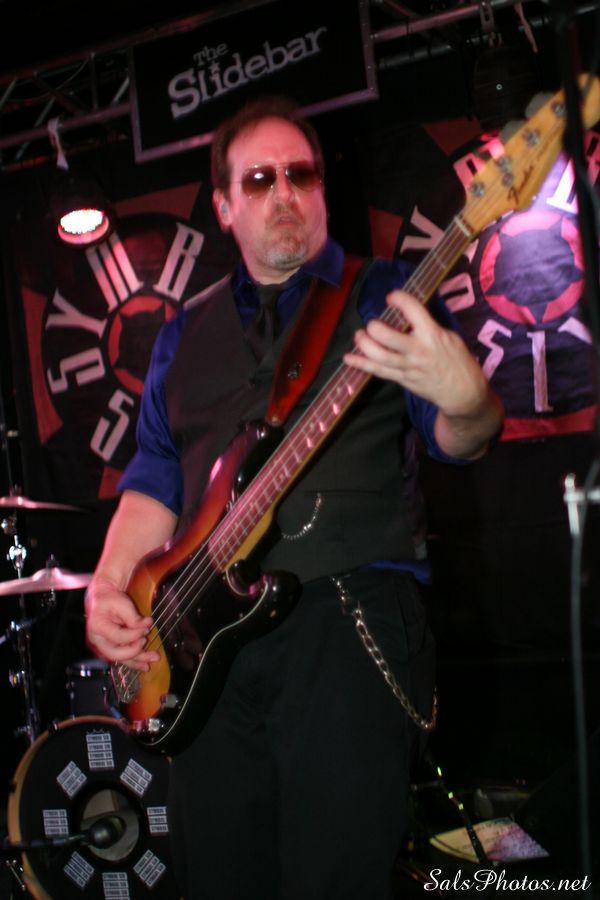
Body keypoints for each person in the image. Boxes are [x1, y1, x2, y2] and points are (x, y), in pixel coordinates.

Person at [85, 96, 504, 899]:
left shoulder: (384, 293)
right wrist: (109, 588)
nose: (285, 192)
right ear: (224, 206)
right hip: (203, 657)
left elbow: (464, 435)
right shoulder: (180, 334)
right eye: (260, 179)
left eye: (301, 175)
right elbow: (153, 484)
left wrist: (469, 399)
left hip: (346, 621)